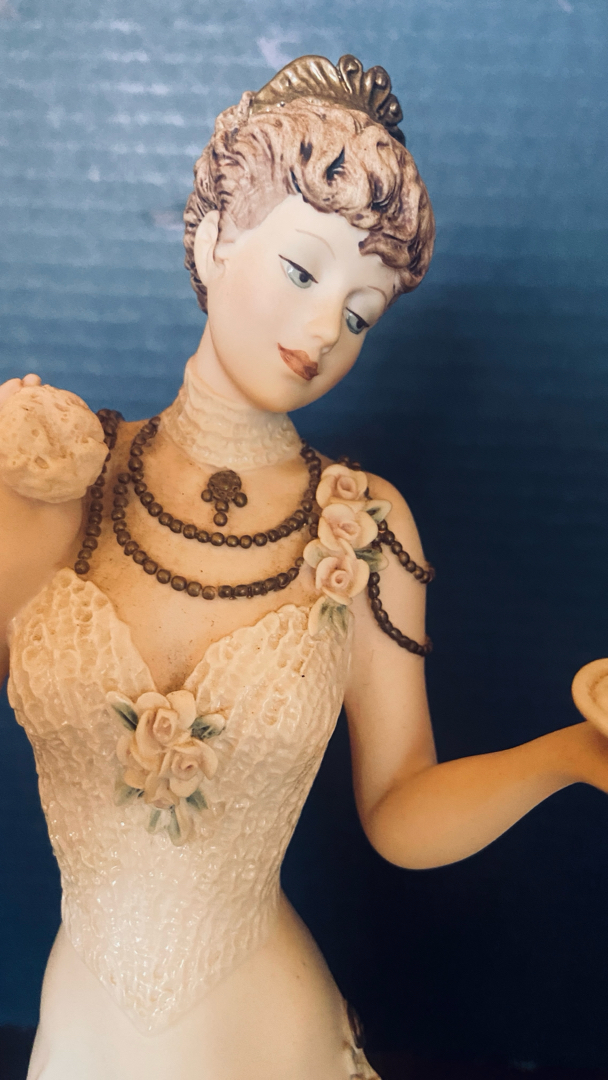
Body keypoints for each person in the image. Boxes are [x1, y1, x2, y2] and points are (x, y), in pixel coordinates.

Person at [0, 54, 607, 1080]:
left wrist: (572, 755)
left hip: (270, 1037)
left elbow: (399, 809)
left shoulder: (364, 529)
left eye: (361, 312)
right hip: (86, 1039)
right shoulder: (60, 473)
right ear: (213, 238)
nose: (326, 329)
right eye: (301, 271)